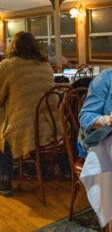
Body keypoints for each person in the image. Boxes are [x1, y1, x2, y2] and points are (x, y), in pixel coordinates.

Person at [0, 31, 57, 196]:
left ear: (13, 46)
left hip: (24, 127)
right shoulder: (45, 64)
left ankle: (5, 179)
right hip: (49, 124)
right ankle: (34, 166)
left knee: (3, 129)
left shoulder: (8, 65)